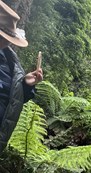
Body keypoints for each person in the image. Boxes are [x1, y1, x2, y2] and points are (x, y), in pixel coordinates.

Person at [0, 0, 43, 153]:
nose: (5, 42)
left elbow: (10, 99)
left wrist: (24, 85)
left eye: (6, 39)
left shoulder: (9, 60)